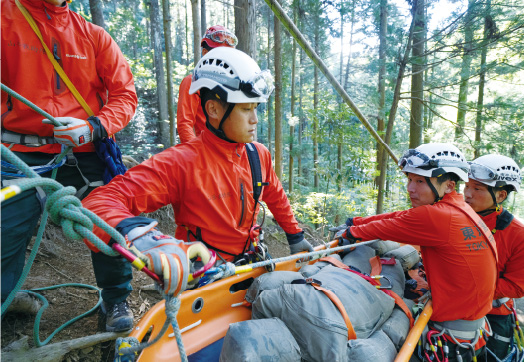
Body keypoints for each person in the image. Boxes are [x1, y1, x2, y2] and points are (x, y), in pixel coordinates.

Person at [82, 47, 314, 313]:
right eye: (246, 109)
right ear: (214, 109)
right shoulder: (182, 162)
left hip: (252, 267)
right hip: (204, 277)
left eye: (256, 108)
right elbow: (98, 202)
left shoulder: (257, 155)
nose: (255, 120)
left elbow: (275, 195)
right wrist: (146, 239)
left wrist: (295, 235)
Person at [1, 0, 137, 332]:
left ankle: (115, 298)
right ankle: (5, 296)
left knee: (109, 221)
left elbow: (125, 96)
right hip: (17, 155)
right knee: (4, 228)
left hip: (84, 150)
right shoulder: (5, 18)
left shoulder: (94, 36)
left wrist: (93, 127)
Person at [336, 143, 498, 361]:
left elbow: (389, 225)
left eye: (420, 181)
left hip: (449, 335)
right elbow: (400, 216)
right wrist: (356, 222)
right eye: (410, 179)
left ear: (449, 186)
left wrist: (351, 232)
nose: (410, 188)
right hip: (468, 330)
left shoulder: (440, 216)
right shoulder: (460, 209)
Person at [464, 154, 524, 360]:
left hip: (493, 315)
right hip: (448, 305)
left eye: (477, 189)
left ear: (500, 196)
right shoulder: (455, 220)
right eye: (467, 186)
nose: (467, 194)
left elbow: (517, 286)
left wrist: (465, 291)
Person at [177, 25, 238, 143]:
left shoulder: (233, 83)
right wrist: (195, 154)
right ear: (205, 53)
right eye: (220, 53)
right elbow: (185, 123)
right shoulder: (193, 81)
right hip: (206, 149)